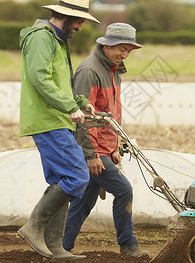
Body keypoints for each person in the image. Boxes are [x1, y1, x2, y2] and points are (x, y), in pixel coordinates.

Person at [17, 0, 98, 261]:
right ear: (66, 16)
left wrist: (79, 101)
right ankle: (33, 226)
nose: (79, 27)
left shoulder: (57, 40)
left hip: (57, 118)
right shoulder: (42, 38)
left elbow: (59, 83)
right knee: (78, 176)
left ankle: (54, 247)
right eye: (79, 21)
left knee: (62, 180)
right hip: (49, 120)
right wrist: (69, 107)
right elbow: (40, 79)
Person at [63, 23, 149, 258]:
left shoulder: (114, 71)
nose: (125, 55)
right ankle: (128, 245)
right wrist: (90, 155)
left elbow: (109, 116)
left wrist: (114, 148)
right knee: (124, 191)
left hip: (103, 148)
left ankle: (62, 247)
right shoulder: (89, 71)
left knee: (84, 201)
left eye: (129, 51)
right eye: (122, 49)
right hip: (91, 149)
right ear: (106, 44)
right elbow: (82, 118)